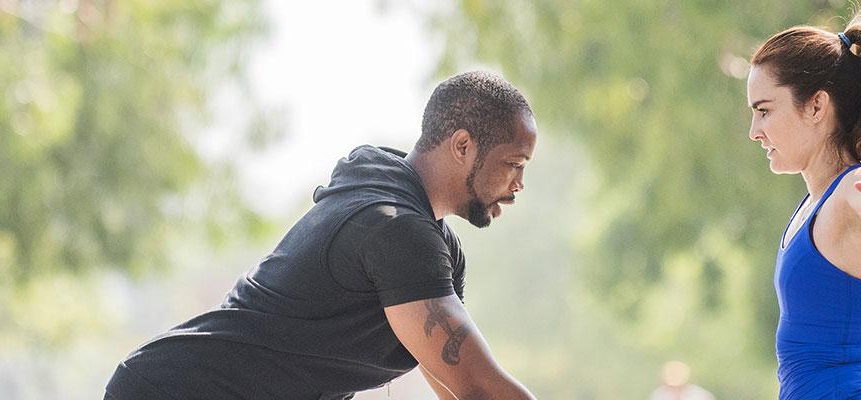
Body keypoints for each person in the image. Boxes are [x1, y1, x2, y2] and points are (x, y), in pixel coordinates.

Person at [105, 71, 538, 399]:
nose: (519, 184)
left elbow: (458, 382)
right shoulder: (394, 229)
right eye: (514, 164)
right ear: (462, 146)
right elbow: (480, 389)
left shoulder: (436, 244)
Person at [743, 11, 861, 400]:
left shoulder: (856, 184)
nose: (754, 132)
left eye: (764, 111)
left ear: (816, 106)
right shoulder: (813, 205)